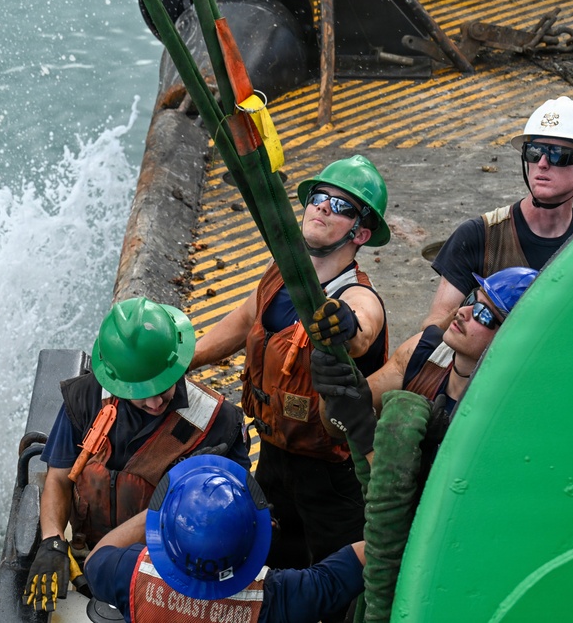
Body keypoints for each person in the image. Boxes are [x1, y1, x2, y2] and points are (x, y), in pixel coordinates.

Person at [189, 155, 390, 574]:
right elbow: (245, 319)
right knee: (269, 568)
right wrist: (184, 359)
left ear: (362, 232)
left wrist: (346, 324)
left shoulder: (356, 297)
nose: (322, 207)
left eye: (341, 206)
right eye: (319, 197)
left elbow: (363, 329)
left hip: (333, 477)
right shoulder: (280, 275)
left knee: (338, 584)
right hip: (275, 456)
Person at [25, 297, 251, 613]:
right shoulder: (86, 398)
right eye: (141, 394)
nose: (156, 402)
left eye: (164, 385)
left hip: (165, 576)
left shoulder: (219, 425)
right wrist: (52, 541)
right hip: (88, 554)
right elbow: (59, 478)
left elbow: (235, 522)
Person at [84, 455, 366, 623]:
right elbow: (361, 558)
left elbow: (97, 556)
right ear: (260, 534)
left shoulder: (129, 572)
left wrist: (162, 510)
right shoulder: (277, 599)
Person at [312, 266, 539, 466]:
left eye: (483, 314)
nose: (462, 312)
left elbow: (412, 501)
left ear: (512, 339)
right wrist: (332, 391)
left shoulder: (508, 416)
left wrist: (363, 431)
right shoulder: (423, 352)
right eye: (471, 300)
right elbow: (336, 428)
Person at [423, 96, 573, 329]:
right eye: (534, 151)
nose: (542, 163)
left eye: (558, 155)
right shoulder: (479, 236)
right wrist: (479, 311)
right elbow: (431, 330)